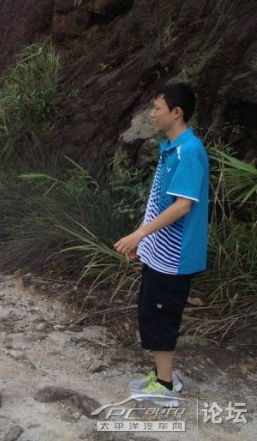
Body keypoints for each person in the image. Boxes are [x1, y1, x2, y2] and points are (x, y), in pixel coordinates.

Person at [114, 83, 209, 407]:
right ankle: (161, 375)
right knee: (150, 312)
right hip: (161, 253)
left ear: (176, 112)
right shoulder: (172, 148)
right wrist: (145, 242)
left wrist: (139, 235)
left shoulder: (189, 150)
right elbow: (159, 205)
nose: (152, 114)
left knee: (161, 316)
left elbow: (183, 205)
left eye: (157, 108)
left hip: (176, 257)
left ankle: (166, 387)